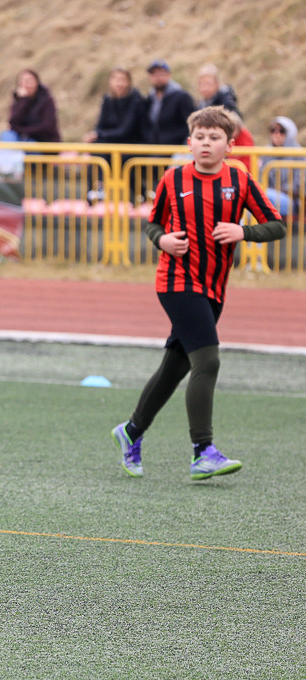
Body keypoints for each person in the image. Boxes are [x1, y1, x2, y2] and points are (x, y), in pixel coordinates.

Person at [111, 106, 286, 480]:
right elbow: (153, 224)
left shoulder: (240, 181)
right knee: (208, 362)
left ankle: (130, 432)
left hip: (214, 286)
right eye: (199, 137)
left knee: (176, 367)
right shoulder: (172, 179)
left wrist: (245, 232)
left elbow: (277, 226)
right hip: (175, 282)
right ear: (189, 142)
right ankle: (202, 450)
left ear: (230, 145)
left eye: (214, 137)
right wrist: (164, 240)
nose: (206, 144)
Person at [82, 67, 144, 203]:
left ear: (129, 82)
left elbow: (125, 130)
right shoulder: (107, 100)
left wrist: (98, 134)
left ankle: (140, 194)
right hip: (111, 144)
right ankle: (95, 191)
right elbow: (100, 125)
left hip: (132, 144)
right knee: (96, 148)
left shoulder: (136, 100)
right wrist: (95, 134)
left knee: (104, 150)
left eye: (122, 80)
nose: (119, 83)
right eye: (116, 79)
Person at [141, 60, 196, 146]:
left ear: (169, 75)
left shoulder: (182, 97)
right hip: (154, 147)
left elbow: (191, 125)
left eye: (161, 74)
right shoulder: (150, 99)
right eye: (154, 74)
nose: (158, 78)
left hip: (175, 148)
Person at [258, 116, 303, 218]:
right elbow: (261, 179)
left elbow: (300, 184)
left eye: (282, 131)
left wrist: (278, 190)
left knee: (261, 195)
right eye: (273, 130)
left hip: (292, 200)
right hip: (268, 194)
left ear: (290, 133)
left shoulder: (299, 154)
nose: (276, 134)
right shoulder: (265, 153)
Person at [0, 69, 61, 143]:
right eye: (22, 81)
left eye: (29, 81)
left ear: (36, 82)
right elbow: (12, 123)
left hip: (42, 142)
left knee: (28, 144)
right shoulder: (18, 101)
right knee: (6, 135)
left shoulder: (46, 100)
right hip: (23, 139)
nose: (25, 85)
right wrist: (24, 101)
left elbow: (47, 127)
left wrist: (21, 130)